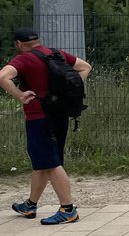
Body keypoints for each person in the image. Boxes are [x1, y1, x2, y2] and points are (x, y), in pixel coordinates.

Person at [0, 27, 91, 224]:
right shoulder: (56, 54)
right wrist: (68, 90)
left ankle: (68, 209)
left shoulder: (23, 59)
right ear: (37, 40)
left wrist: (19, 95)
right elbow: (86, 67)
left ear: (18, 44)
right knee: (42, 162)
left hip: (38, 117)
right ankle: (30, 205)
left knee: (50, 163)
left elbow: (3, 77)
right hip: (59, 115)